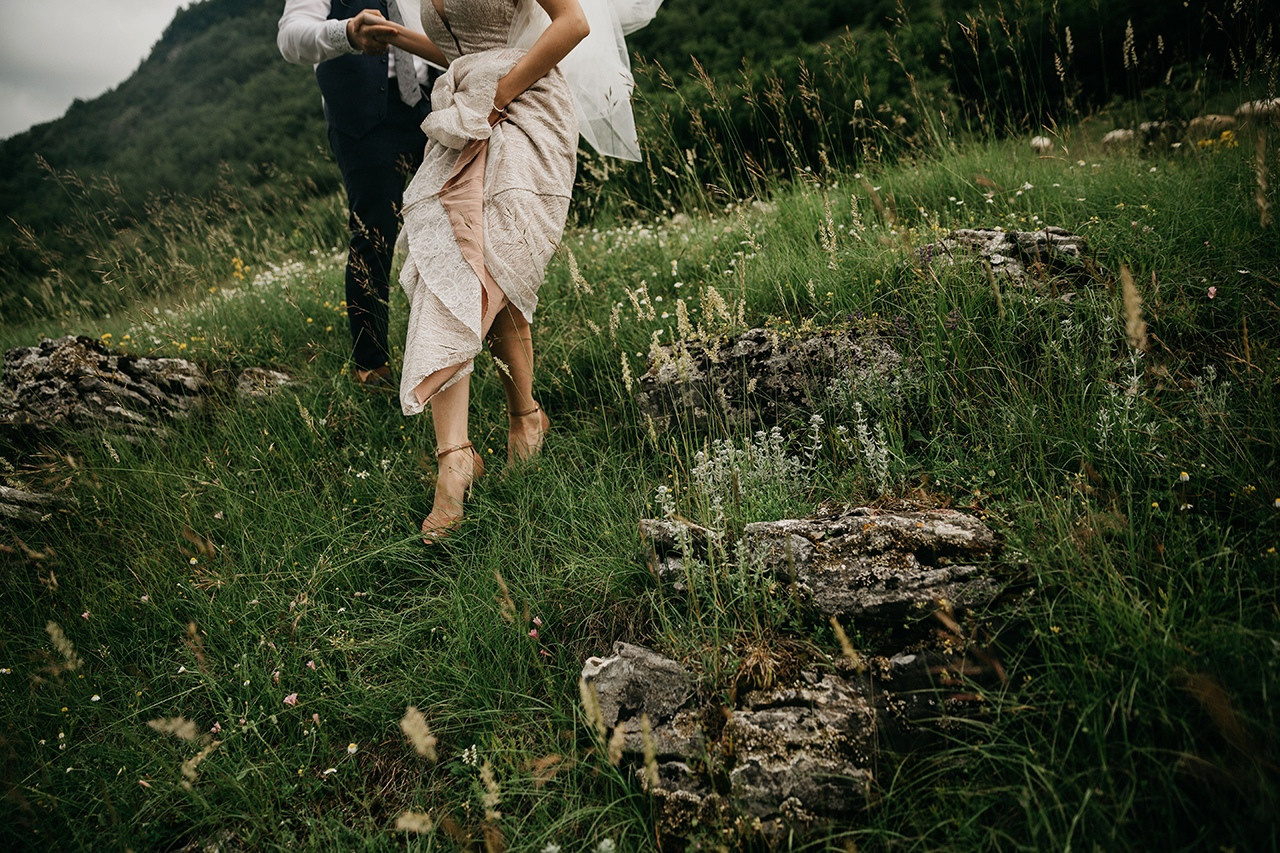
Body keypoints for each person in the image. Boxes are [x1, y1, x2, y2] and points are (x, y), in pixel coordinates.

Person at [362, 0, 660, 542]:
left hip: (527, 111)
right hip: (464, 116)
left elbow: (574, 23)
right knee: (451, 262)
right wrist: (398, 36)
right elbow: (461, 47)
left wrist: (500, 94)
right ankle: (483, 440)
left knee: (482, 267)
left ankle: (484, 443)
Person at [277, 0, 437, 390]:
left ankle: (446, 353)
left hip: (436, 100)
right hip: (362, 116)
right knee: (374, 236)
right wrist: (346, 32)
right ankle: (372, 368)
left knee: (454, 223)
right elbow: (290, 35)